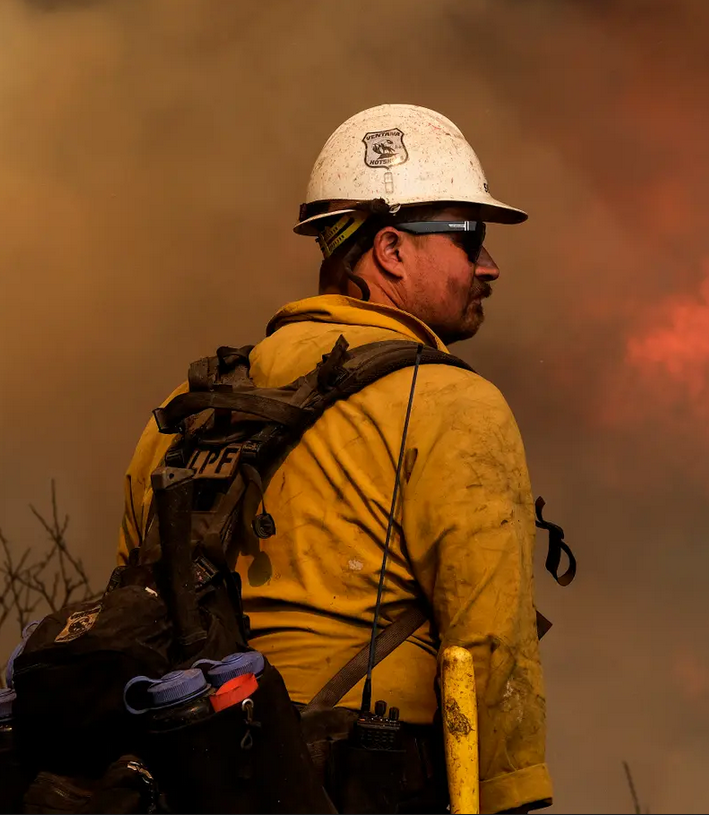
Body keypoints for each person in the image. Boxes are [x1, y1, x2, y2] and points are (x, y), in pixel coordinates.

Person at [116, 103, 552, 814]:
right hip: (372, 781)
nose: (489, 265)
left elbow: (135, 614)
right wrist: (510, 794)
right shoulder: (453, 404)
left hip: (191, 784)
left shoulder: (183, 410)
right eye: (468, 237)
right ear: (389, 250)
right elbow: (486, 641)